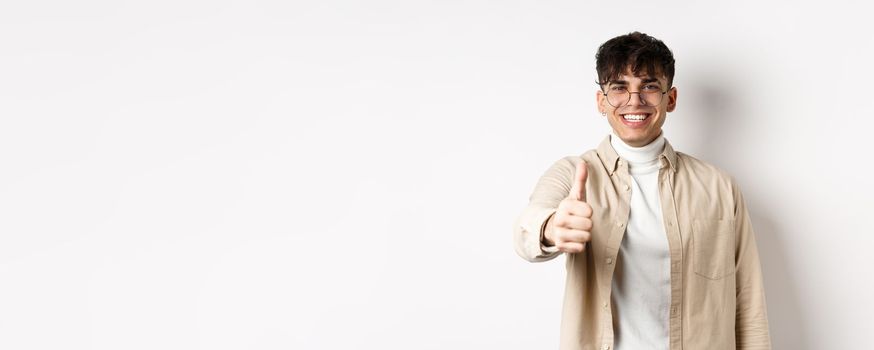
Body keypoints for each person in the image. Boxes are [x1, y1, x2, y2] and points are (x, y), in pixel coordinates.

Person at [512, 32, 771, 350]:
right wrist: (551, 228)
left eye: (649, 86)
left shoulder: (719, 187)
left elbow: (749, 305)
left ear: (670, 99)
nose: (635, 101)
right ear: (601, 101)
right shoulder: (573, 174)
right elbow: (527, 229)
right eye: (619, 87)